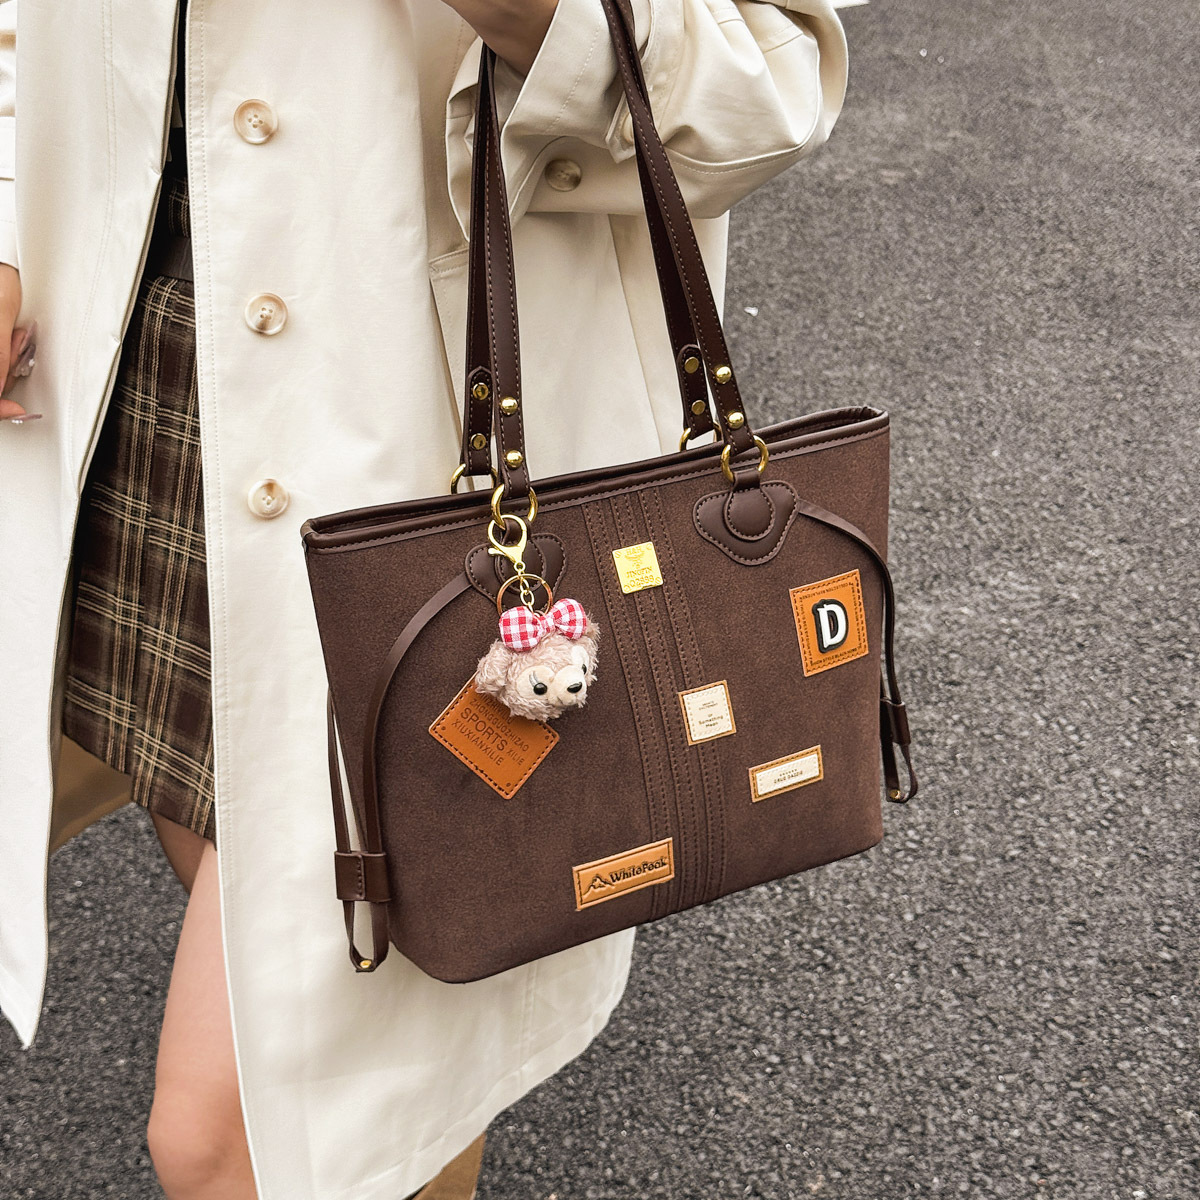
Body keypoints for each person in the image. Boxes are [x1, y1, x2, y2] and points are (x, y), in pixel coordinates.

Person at [0, 0, 860, 1195]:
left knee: (238, 1145)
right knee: (313, 970)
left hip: (416, 460)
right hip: (139, 387)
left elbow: (761, 87)